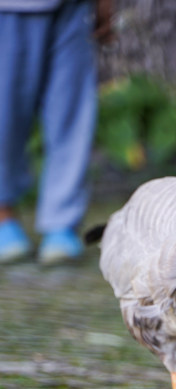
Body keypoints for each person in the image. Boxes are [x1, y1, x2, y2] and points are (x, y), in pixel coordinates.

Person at [0, 0, 112, 265]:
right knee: (5, 108)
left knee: (72, 108)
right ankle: (3, 215)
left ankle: (62, 223)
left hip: (73, 6)